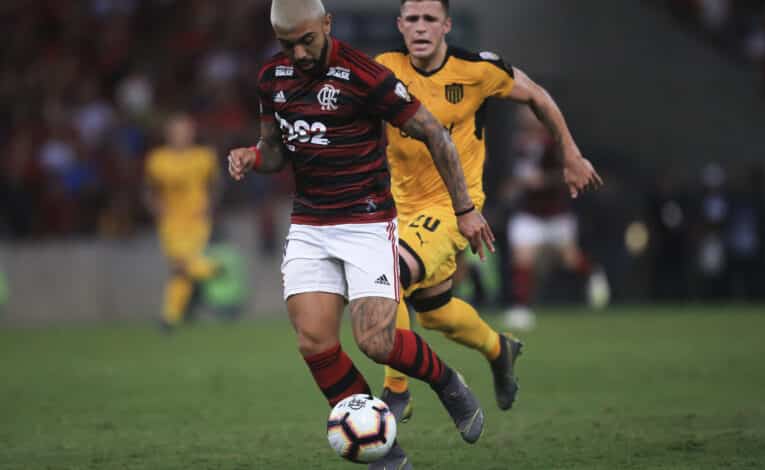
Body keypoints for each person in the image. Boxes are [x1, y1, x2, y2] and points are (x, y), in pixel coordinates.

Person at [226, 1, 496, 468]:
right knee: (313, 340)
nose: (299, 52)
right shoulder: (272, 78)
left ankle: (447, 381)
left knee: (376, 341)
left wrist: (465, 209)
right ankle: (383, 453)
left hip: (367, 222)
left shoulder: (366, 76)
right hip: (311, 224)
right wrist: (253, 157)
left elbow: (435, 133)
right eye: (286, 44)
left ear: (326, 25)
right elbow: (275, 151)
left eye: (307, 40)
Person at [375, 0, 603, 420]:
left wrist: (571, 153)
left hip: (454, 208)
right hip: (397, 208)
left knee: (386, 276)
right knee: (435, 313)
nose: (421, 28)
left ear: (446, 25)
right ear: (400, 25)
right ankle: (500, 350)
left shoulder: (477, 69)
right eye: (413, 19)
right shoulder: (383, 69)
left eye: (430, 19)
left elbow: (537, 96)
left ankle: (396, 391)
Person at [503, 107, 610, 329]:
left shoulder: (553, 143)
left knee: (569, 259)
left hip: (555, 213)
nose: (526, 119)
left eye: (531, 114)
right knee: (522, 258)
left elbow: (566, 173)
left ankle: (593, 273)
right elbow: (520, 175)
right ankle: (521, 309)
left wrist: (543, 181)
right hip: (528, 213)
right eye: (523, 115)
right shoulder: (518, 143)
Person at [143, 113, 222, 331]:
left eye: (186, 131)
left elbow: (216, 184)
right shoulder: (156, 159)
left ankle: (169, 318)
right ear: (168, 134)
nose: (182, 136)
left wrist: (211, 205)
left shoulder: (204, 156)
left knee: (179, 266)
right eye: (177, 131)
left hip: (197, 219)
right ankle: (210, 269)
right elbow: (149, 189)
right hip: (170, 220)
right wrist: (154, 206)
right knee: (181, 266)